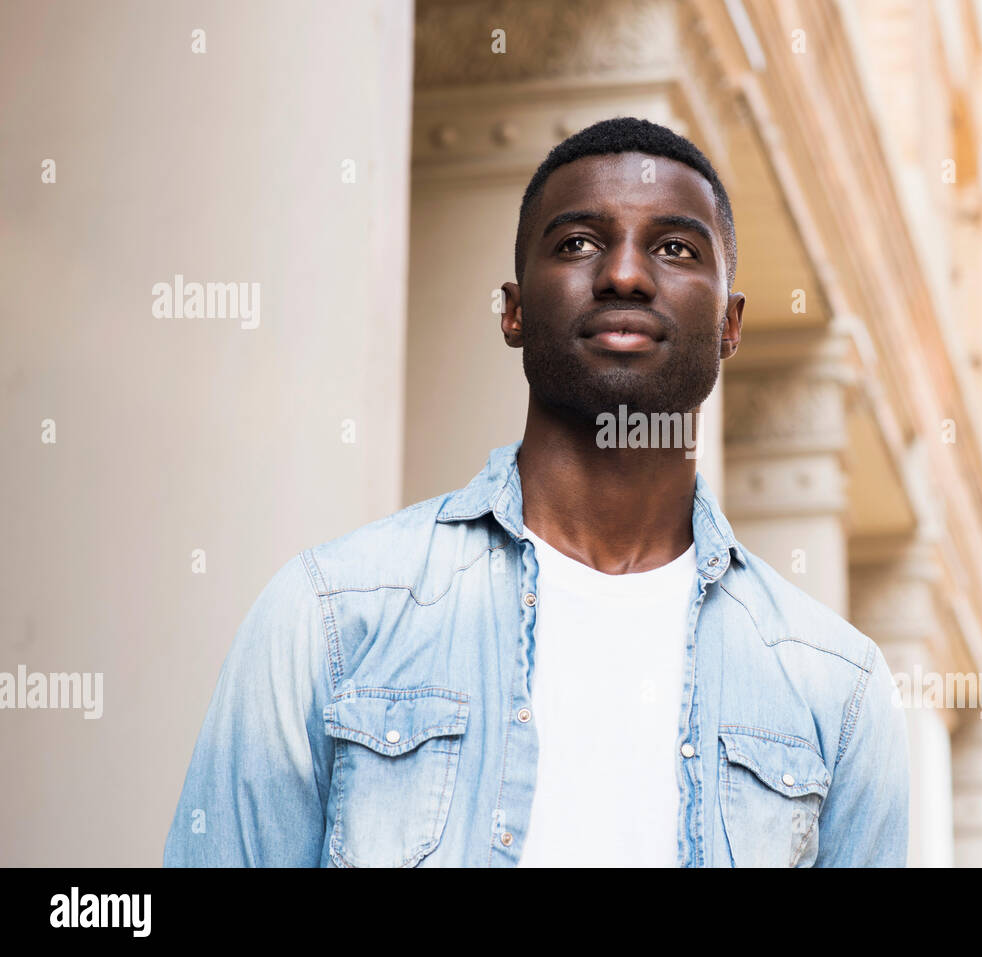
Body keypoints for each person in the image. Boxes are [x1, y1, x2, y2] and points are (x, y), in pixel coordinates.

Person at [163, 116, 908, 868]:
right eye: (579, 242)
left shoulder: (835, 689)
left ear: (730, 324)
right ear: (513, 310)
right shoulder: (333, 615)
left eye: (675, 248)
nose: (625, 274)